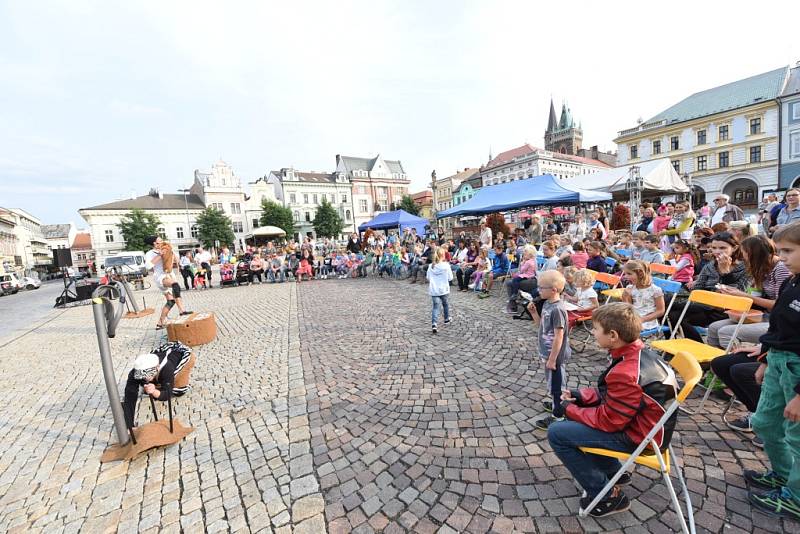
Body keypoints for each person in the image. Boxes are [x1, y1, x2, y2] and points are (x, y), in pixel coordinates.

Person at [548, 303, 679, 518]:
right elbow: (616, 398)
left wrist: (569, 410)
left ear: (613, 336)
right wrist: (581, 396)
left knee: (557, 433)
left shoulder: (625, 371)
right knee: (579, 421)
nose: (592, 332)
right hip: (649, 428)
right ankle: (613, 472)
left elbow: (609, 421)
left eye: (596, 329)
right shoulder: (640, 353)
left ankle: (607, 496)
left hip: (640, 437)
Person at [746, 222, 800, 518]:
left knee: (797, 436)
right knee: (766, 422)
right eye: (780, 251)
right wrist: (766, 358)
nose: (782, 258)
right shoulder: (792, 280)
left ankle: (796, 497)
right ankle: (783, 474)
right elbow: (779, 324)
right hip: (779, 361)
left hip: (797, 371)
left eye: (789, 251)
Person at [707, 235, 791, 350]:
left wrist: (744, 295)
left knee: (725, 332)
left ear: (755, 255)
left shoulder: (781, 269)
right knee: (713, 327)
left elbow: (780, 304)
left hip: (777, 320)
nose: (744, 258)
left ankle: (730, 362)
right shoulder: (762, 268)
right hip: (762, 314)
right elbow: (754, 294)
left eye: (745, 254)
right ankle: (713, 361)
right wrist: (733, 292)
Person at [667, 232, 749, 342]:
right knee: (669, 314)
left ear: (734, 248)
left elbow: (737, 294)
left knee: (669, 305)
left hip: (725, 310)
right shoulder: (710, 266)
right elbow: (697, 289)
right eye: (714, 248)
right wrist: (710, 294)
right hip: (705, 304)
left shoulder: (744, 268)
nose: (717, 251)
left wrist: (726, 273)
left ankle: (695, 346)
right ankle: (692, 345)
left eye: (723, 248)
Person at [529, 270, 571, 431]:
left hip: (555, 356)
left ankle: (558, 416)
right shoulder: (547, 303)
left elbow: (559, 336)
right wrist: (533, 312)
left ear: (553, 289)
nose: (538, 290)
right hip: (547, 353)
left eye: (541, 288)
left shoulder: (558, 309)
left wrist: (553, 359)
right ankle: (555, 403)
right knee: (551, 382)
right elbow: (542, 326)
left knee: (557, 385)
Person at [122, 341, 193, 430]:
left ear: (157, 368)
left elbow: (167, 394)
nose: (144, 378)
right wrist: (129, 425)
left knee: (179, 390)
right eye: (142, 376)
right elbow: (130, 397)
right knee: (146, 386)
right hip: (158, 366)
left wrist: (154, 391)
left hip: (179, 360)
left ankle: (158, 384)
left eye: (148, 375)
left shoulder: (167, 369)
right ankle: (154, 383)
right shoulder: (135, 372)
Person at [145, 236, 191, 330]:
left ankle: (160, 323)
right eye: (160, 240)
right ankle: (182, 310)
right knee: (175, 285)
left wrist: (172, 253)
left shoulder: (166, 248)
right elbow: (148, 266)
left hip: (170, 275)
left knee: (171, 301)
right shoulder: (150, 253)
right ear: (154, 243)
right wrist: (160, 255)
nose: (162, 241)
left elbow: (177, 261)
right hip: (160, 277)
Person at [621, 260, 665, 331]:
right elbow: (628, 308)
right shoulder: (630, 288)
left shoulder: (656, 290)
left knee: (627, 328)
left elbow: (661, 310)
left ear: (640, 274)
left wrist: (643, 319)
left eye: (629, 274)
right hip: (633, 317)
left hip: (648, 321)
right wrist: (625, 297)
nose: (625, 276)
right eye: (625, 274)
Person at [427, 247, 453, 334]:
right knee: (445, 304)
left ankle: (434, 324)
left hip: (434, 289)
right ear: (443, 255)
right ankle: (446, 319)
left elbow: (428, 277)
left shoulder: (431, 266)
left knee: (435, 307)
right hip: (444, 289)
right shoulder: (446, 265)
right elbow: (450, 278)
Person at [505, 245, 537, 313]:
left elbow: (522, 270)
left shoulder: (528, 262)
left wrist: (522, 263)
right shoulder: (533, 260)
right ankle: (512, 301)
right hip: (531, 276)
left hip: (528, 277)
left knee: (514, 280)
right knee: (513, 280)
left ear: (530, 255)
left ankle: (515, 294)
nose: (524, 255)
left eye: (525, 254)